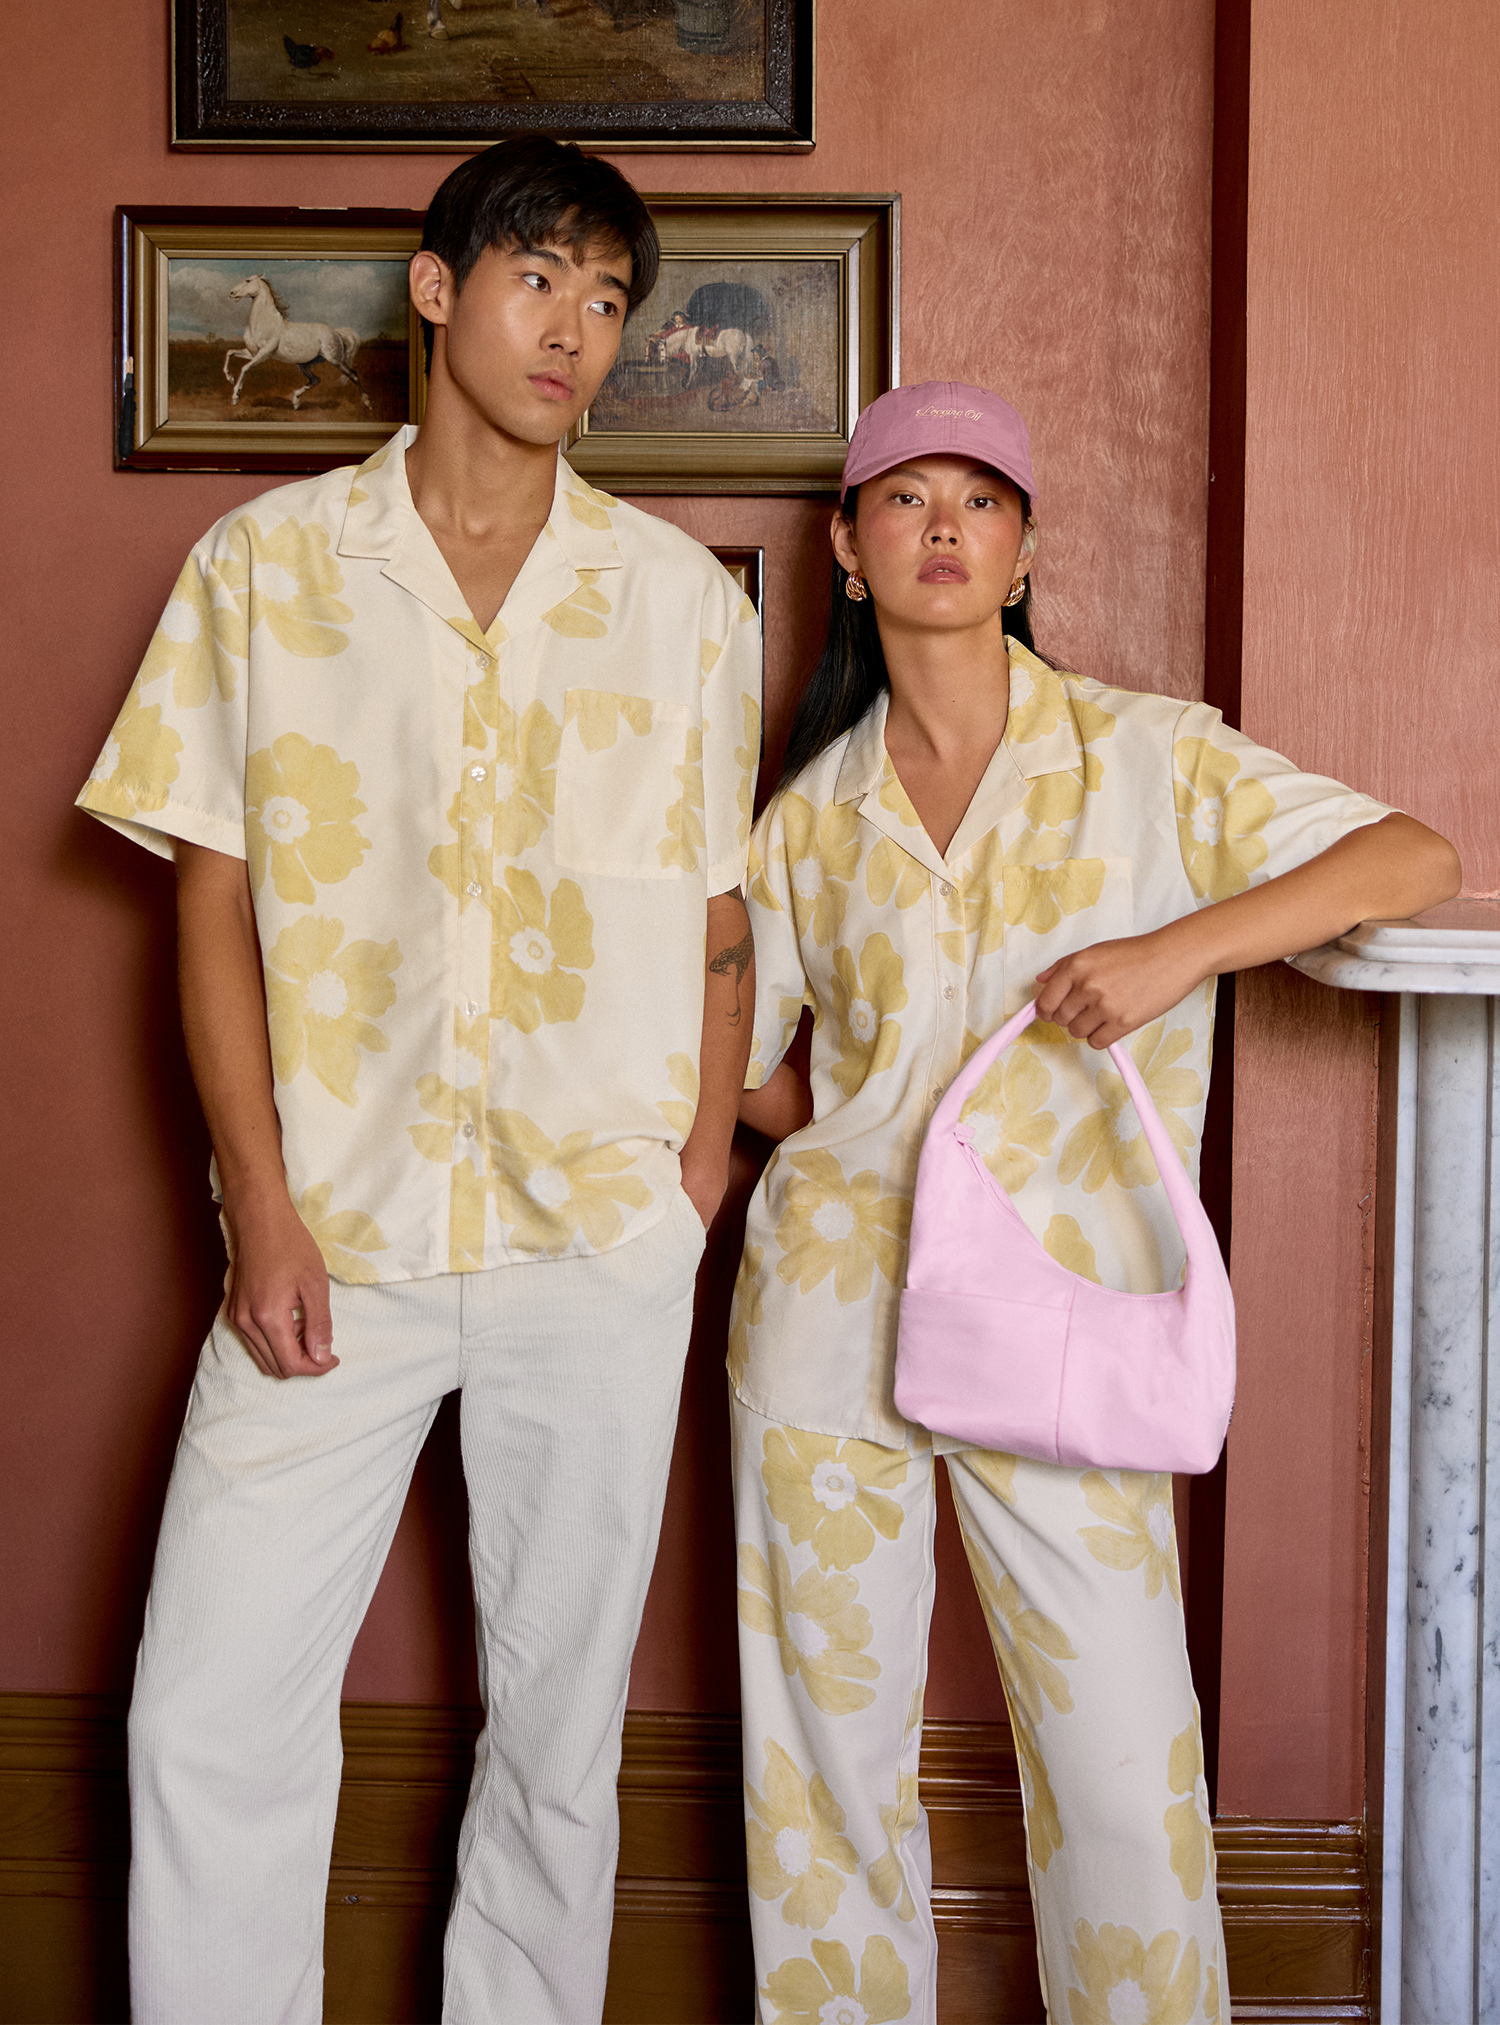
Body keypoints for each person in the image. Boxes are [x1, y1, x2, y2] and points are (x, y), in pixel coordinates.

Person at [77, 136, 761, 2025]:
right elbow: (210, 906)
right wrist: (260, 1209)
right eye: (540, 278)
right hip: (341, 1228)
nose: (576, 329)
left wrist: (696, 1169)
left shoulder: (683, 604)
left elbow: (718, 906)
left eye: (608, 300)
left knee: (558, 1729)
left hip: (597, 1231)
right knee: (208, 1712)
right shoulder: (264, 568)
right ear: (439, 290)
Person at [729, 381, 1459, 2024]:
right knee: (821, 1772)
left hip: (1068, 1317)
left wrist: (1176, 951)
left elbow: (1409, 858)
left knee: (1121, 1769)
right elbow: (765, 1079)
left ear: (1025, 550)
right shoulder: (805, 822)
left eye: (979, 502)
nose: (942, 528)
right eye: (904, 499)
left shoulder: (1152, 756)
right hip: (826, 1320)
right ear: (846, 547)